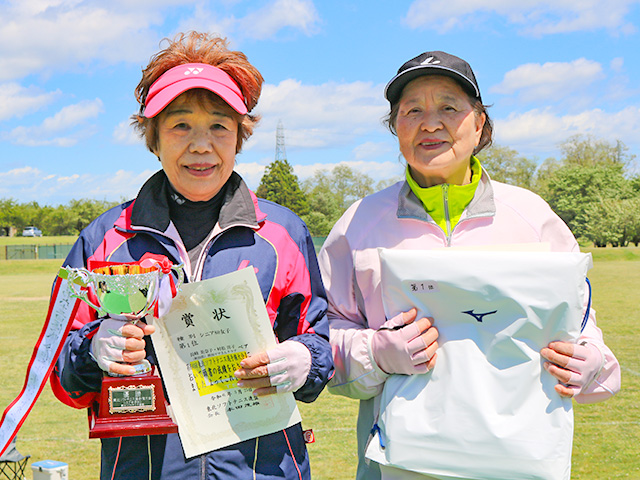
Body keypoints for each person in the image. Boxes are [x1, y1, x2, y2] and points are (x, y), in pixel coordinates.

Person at [317, 50, 621, 480]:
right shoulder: (359, 223)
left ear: (479, 124)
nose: (430, 123)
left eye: (449, 107)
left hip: (518, 461)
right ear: (395, 127)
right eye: (412, 110)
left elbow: (583, 329)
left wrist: (588, 362)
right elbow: (325, 337)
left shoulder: (532, 217)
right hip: (398, 464)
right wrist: (378, 353)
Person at [50, 32, 333, 480]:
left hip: (262, 469)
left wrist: (304, 359)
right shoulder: (103, 239)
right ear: (153, 137)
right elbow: (63, 379)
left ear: (239, 137)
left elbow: (321, 336)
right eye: (181, 125)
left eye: (219, 125)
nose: (201, 145)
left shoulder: (282, 233)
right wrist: (92, 350)